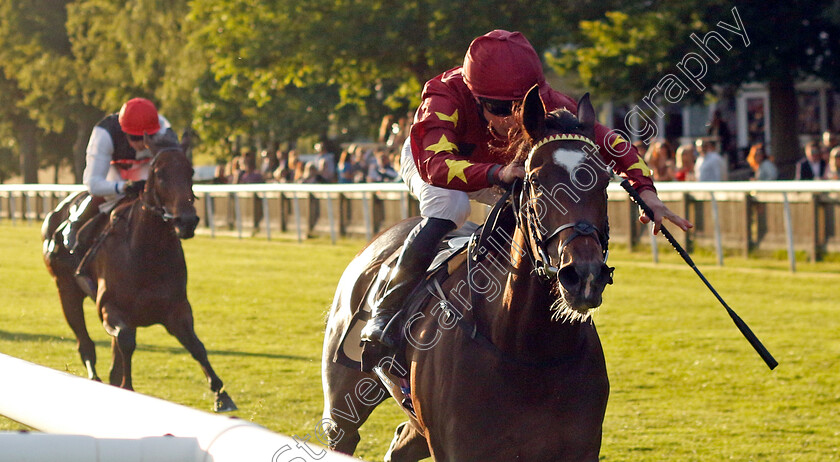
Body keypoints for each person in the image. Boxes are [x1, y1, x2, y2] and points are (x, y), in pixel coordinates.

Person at [359, 30, 693, 354]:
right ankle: (386, 311)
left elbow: (613, 144)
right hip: (436, 161)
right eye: (501, 110)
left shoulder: (548, 101)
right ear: (475, 97)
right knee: (452, 208)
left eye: (520, 108)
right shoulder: (443, 96)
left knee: (538, 206)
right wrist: (496, 172)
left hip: (505, 167)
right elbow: (436, 165)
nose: (512, 121)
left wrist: (646, 192)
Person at [63, 97, 176, 260]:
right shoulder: (105, 133)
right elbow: (93, 183)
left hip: (147, 169)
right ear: (124, 131)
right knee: (109, 195)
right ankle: (76, 223)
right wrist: (123, 186)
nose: (142, 144)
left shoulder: (165, 131)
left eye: (148, 137)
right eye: (136, 138)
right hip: (114, 170)